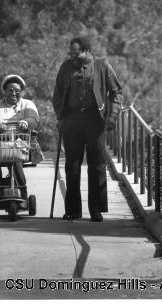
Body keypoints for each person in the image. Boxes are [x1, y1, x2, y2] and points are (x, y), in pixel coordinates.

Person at [52, 36, 123, 222]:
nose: (73, 56)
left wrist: (112, 117)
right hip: (72, 121)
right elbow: (58, 93)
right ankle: (73, 211)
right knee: (72, 167)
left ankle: (96, 210)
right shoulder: (66, 67)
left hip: (95, 121)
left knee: (97, 166)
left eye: (77, 53)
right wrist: (61, 116)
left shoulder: (102, 65)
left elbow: (116, 93)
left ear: (87, 51)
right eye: (71, 53)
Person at [0, 74, 40, 204]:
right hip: (0, 142)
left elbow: (34, 118)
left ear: (21, 91)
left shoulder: (27, 104)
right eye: (10, 90)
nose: (14, 93)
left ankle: (22, 192)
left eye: (17, 91)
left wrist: (26, 122)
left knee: (15, 155)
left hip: (21, 142)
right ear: (5, 91)